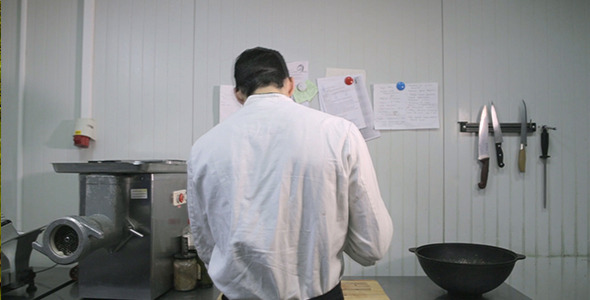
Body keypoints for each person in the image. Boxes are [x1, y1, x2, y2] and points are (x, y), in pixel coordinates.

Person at [186, 47, 393, 300]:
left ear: (238, 94)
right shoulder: (340, 133)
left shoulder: (204, 147)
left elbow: (206, 243)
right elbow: (372, 246)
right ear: (290, 84)